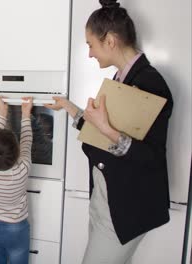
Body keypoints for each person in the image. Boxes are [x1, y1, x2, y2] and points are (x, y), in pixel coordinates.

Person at [45, 0, 173, 263]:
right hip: (105, 200)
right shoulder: (122, 78)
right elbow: (103, 132)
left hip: (125, 207)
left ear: (110, 40)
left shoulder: (150, 83)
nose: (90, 53)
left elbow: (150, 157)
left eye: (91, 44)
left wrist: (105, 127)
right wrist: (69, 107)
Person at [0, 96, 33, 264]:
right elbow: (27, 141)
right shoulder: (22, 169)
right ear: (17, 153)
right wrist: (25, 114)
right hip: (16, 227)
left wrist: (1, 113)